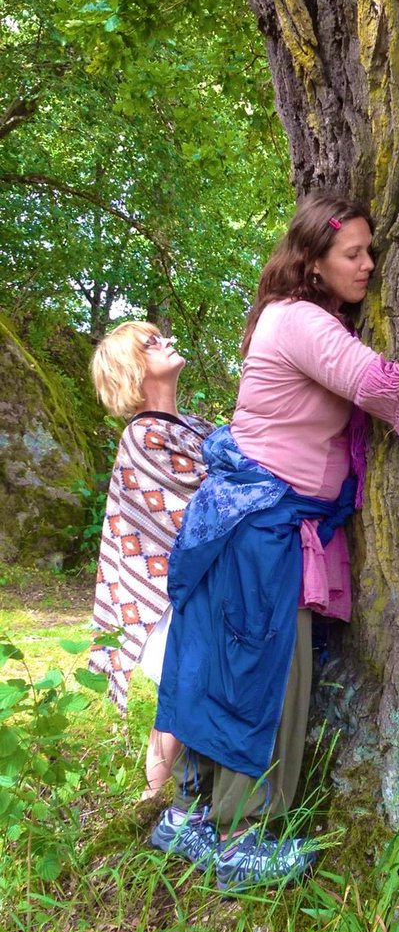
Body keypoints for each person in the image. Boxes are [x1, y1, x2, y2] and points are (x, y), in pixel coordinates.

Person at [151, 193, 399, 890]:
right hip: (259, 529)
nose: (368, 264)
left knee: (220, 665)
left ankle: (194, 817)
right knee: (264, 677)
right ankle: (241, 839)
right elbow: (385, 387)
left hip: (247, 520)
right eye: (352, 253)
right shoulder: (299, 320)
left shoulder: (297, 319)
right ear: (313, 261)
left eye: (369, 251)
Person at [89, 321, 213, 798]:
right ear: (134, 372)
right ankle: (154, 798)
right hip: (162, 589)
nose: (165, 341)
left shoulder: (194, 426)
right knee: (179, 694)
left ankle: (165, 796)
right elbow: (194, 510)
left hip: (193, 583)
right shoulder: (142, 438)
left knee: (185, 693)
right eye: (151, 343)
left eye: (163, 335)